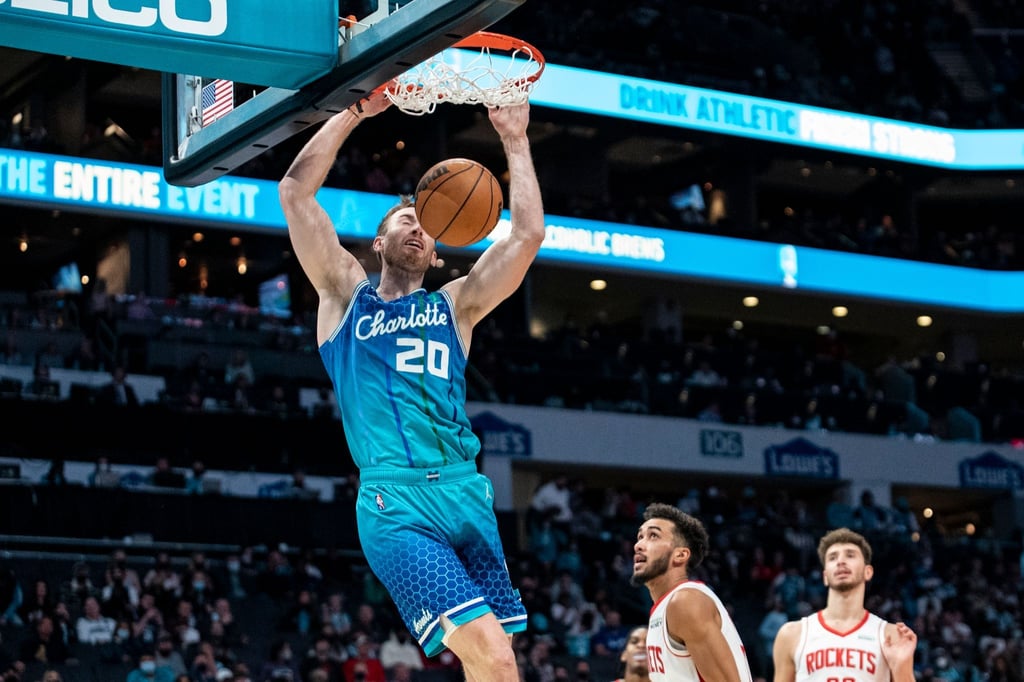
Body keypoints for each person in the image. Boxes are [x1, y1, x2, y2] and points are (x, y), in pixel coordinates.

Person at [278, 84, 544, 682]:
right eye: (406, 219)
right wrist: (353, 112)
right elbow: (294, 192)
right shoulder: (345, 297)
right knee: (494, 653)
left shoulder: (457, 305)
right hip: (394, 504)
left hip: (465, 491)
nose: (419, 229)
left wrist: (515, 139)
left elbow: (526, 237)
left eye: (427, 225)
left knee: (491, 656)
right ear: (379, 242)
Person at [771, 527, 917, 682]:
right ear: (825, 576)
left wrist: (902, 668)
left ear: (867, 572)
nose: (841, 561)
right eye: (833, 558)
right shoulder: (791, 634)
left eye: (850, 555)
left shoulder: (890, 636)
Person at [631, 503, 752, 681]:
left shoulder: (685, 601)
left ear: (680, 555)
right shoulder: (665, 609)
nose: (638, 545)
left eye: (653, 536)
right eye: (640, 536)